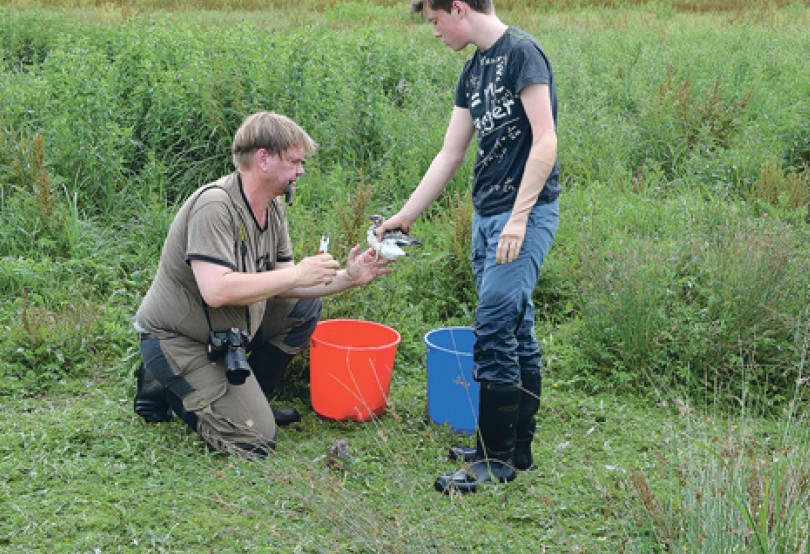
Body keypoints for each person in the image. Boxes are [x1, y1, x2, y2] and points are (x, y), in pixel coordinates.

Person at [376, 0, 560, 494]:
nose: (434, 32)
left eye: (436, 21)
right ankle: (515, 447)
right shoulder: (475, 69)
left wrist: (518, 219)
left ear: (458, 7)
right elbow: (451, 151)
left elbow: (546, 141)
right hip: (487, 217)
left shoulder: (523, 54)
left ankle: (491, 461)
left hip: (524, 215)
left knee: (495, 323)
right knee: (515, 326)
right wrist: (406, 214)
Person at [133, 111, 392, 458]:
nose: (301, 171)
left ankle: (250, 395)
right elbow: (216, 290)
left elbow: (286, 287)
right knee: (254, 442)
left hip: (229, 328)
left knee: (304, 308)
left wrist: (349, 278)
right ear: (263, 159)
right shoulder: (215, 205)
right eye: (294, 162)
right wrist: (298, 273)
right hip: (181, 337)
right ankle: (164, 383)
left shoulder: (272, 208)